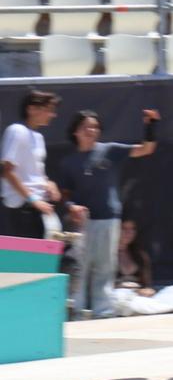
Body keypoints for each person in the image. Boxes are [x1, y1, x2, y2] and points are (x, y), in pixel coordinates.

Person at [54, 108, 158, 318]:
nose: (91, 130)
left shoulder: (110, 150)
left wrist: (150, 125)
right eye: (86, 127)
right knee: (80, 266)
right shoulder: (68, 163)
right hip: (83, 223)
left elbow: (146, 149)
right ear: (76, 131)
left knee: (105, 266)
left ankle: (103, 310)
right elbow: (64, 195)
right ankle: (77, 309)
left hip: (109, 219)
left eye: (95, 127)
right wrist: (71, 207)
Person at [2, 91, 78, 240]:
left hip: (39, 206)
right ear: (31, 109)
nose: (53, 115)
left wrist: (49, 184)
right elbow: (7, 171)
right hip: (22, 208)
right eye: (48, 109)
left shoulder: (38, 137)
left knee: (44, 260)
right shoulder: (16, 131)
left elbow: (35, 173)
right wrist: (33, 200)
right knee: (25, 261)